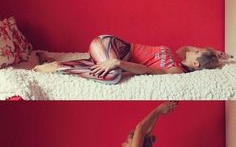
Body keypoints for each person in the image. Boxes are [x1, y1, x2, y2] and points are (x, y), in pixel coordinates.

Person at [35, 39, 231, 83]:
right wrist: (218, 55)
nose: (193, 48)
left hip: (106, 53)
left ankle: (55, 65)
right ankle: (58, 66)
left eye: (197, 52)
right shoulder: (179, 54)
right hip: (112, 45)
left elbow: (147, 70)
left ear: (196, 64)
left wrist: (118, 63)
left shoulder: (176, 70)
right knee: (111, 74)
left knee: (110, 72)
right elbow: (187, 47)